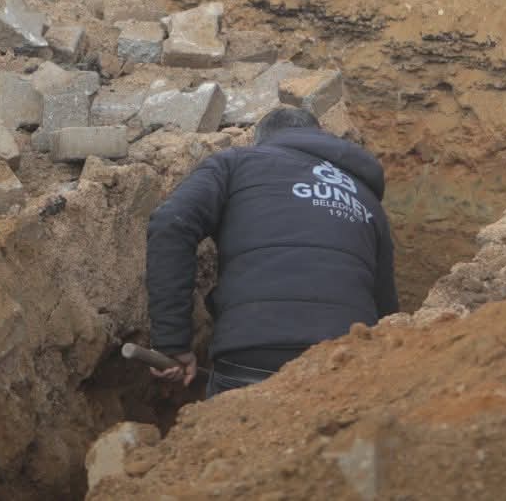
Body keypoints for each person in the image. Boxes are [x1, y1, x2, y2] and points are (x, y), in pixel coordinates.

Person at [143, 106, 398, 398]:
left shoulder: (236, 162)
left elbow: (171, 223)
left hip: (253, 353)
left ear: (261, 140)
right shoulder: (366, 198)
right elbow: (386, 308)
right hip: (347, 359)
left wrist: (172, 342)